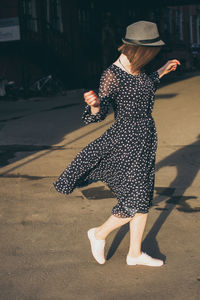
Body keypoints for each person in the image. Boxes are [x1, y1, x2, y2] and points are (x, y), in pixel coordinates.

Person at [53, 21, 181, 266]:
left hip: (145, 139)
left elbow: (142, 87)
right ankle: (99, 233)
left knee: (143, 198)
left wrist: (162, 70)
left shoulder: (139, 69)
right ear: (140, 49)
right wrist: (94, 105)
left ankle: (134, 254)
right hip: (126, 141)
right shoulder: (112, 74)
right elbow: (99, 113)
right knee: (134, 201)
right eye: (153, 52)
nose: (155, 55)